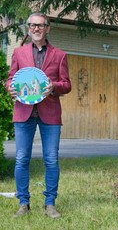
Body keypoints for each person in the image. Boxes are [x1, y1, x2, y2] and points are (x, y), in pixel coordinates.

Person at [6, 12, 71, 218]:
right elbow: (11, 79)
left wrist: (54, 87)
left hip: (49, 113)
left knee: (51, 160)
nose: (36, 28)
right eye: (32, 25)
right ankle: (23, 203)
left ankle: (50, 203)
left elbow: (67, 84)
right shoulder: (18, 53)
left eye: (40, 25)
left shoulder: (59, 55)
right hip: (24, 112)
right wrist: (10, 88)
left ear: (47, 28)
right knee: (21, 159)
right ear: (28, 28)